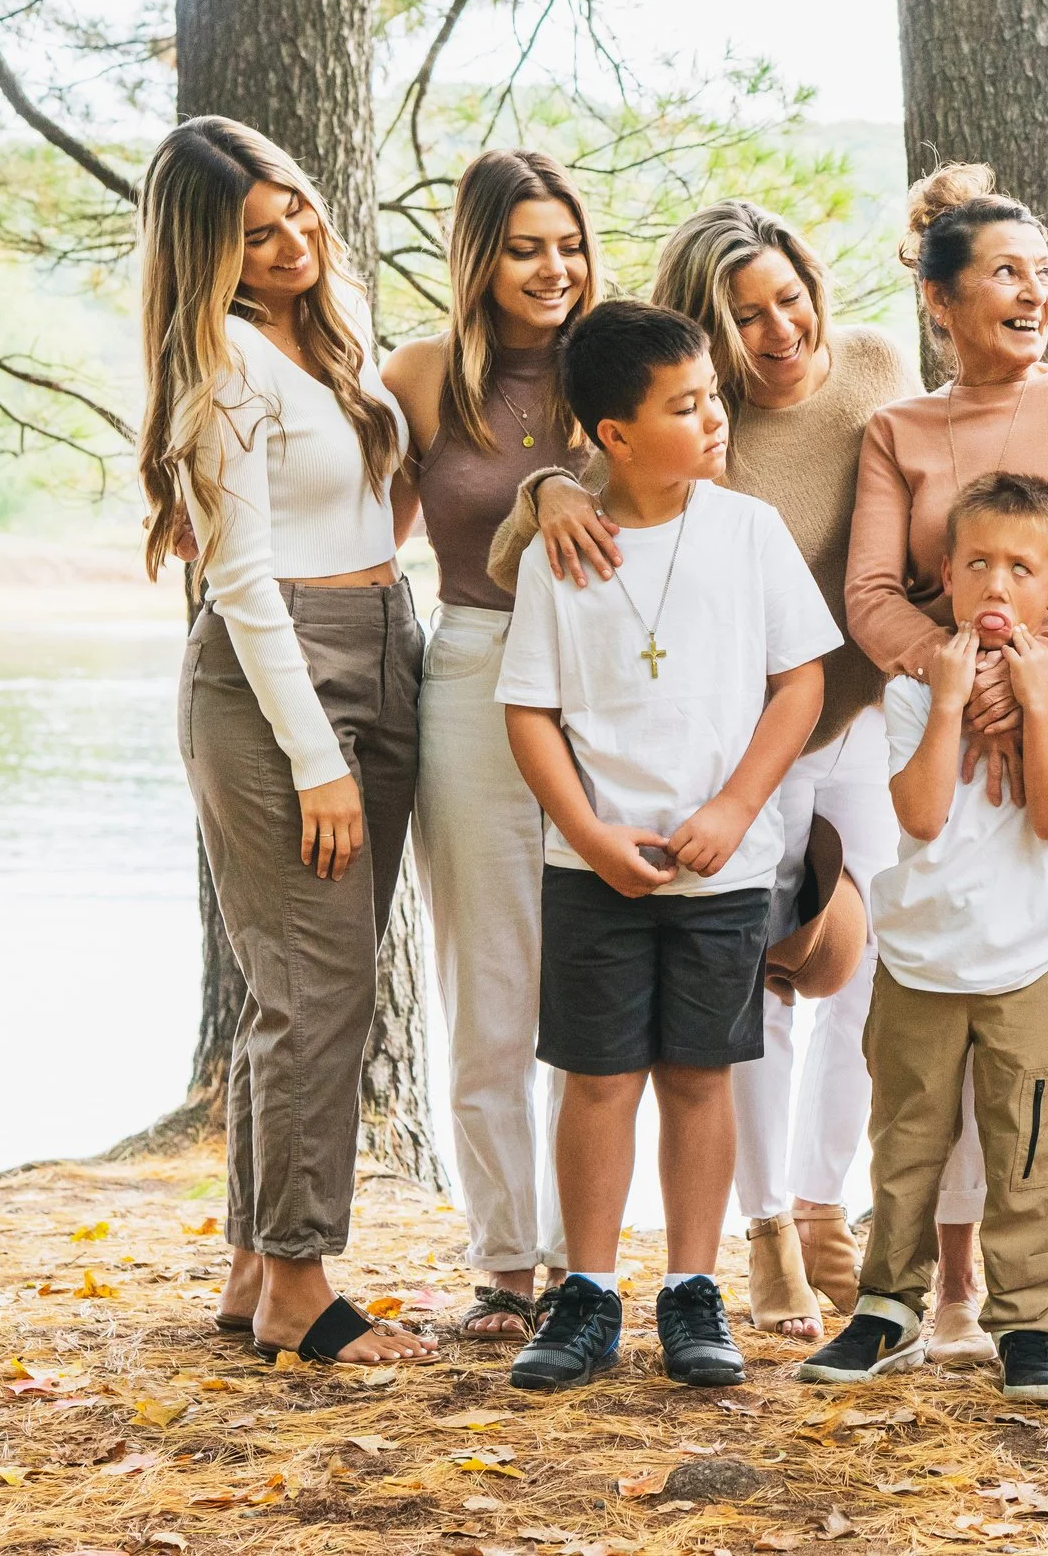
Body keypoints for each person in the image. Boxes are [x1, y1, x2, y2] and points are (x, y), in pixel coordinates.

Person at [491, 203, 923, 1341]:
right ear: (615, 432)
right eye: (690, 402)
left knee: (729, 1048)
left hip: (772, 801)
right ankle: (615, 1282)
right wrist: (586, 834)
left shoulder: (759, 512)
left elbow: (805, 676)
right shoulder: (577, 533)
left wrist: (739, 806)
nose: (775, 334)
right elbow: (526, 702)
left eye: (715, 400)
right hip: (605, 853)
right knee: (609, 1074)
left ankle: (718, 1271)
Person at [135, 116, 433, 1364]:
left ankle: (257, 1263)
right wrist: (316, 757)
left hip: (382, 634)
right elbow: (243, 582)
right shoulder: (225, 365)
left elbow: (376, 500)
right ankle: (306, 1282)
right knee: (319, 988)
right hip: (279, 672)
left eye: (298, 212)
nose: (292, 242)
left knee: (299, 985)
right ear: (210, 255)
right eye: (257, 235)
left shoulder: (334, 334)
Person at [846, 163, 1048, 1365]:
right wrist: (954, 675)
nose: (1036, 294)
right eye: (1007, 275)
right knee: (934, 989)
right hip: (938, 708)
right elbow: (873, 591)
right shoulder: (897, 430)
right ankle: (928, 1289)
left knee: (1040, 994)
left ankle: (1027, 1296)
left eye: (1045, 275)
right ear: (941, 300)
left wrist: (1047, 677)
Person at [797, 472, 1048, 1403]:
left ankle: (1028, 1323)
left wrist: (1039, 705)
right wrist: (945, 703)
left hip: (1028, 961)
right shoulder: (906, 692)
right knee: (907, 1144)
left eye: (1022, 568)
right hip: (921, 959)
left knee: (1028, 1148)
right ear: (945, 574)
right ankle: (889, 1308)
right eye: (979, 564)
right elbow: (923, 816)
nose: (998, 586)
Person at [381, 148, 598, 1341]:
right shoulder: (421, 378)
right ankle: (505, 1261)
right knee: (488, 981)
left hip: (608, 683)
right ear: (480, 255)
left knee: (588, 969)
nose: (551, 267)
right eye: (525, 246)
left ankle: (584, 1259)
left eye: (565, 243)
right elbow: (370, 538)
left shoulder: (614, 358)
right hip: (471, 665)